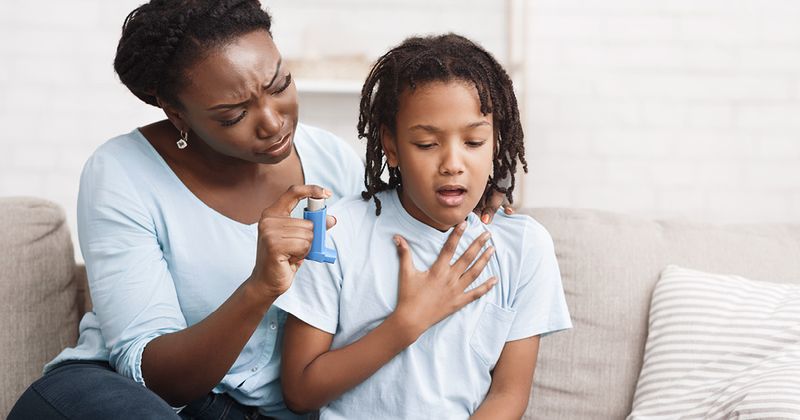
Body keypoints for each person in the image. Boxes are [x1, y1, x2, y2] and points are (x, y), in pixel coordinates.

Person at [8, 2, 510, 419]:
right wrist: (260, 287)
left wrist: (473, 193)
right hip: (129, 401)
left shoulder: (334, 163)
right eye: (233, 114)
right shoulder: (122, 173)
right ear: (175, 111)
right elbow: (157, 379)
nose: (272, 122)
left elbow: (418, 203)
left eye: (279, 85)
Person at [275, 33, 573, 419]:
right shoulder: (336, 232)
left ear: (496, 143)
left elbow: (508, 396)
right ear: (392, 146)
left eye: (474, 141)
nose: (452, 163)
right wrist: (407, 323)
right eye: (427, 144)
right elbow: (300, 391)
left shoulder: (523, 247)